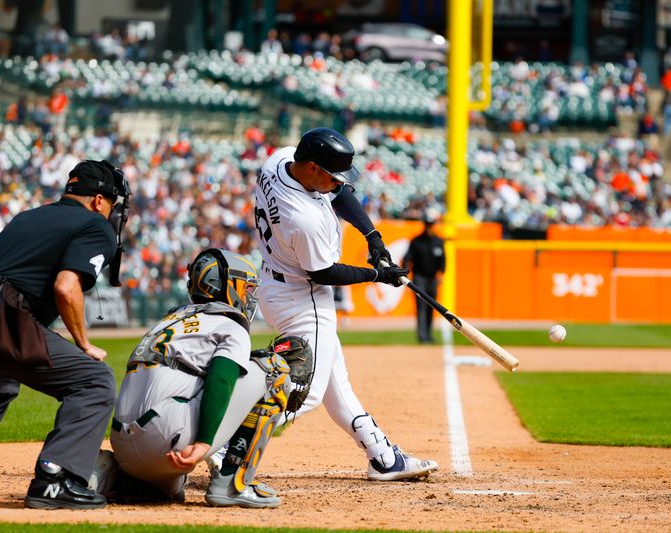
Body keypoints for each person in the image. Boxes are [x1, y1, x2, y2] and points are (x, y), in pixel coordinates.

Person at [253, 127, 438, 481]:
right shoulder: (302, 218)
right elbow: (323, 271)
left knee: (337, 382)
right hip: (303, 299)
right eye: (331, 175)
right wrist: (376, 276)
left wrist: (374, 238)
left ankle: (383, 456)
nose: (337, 182)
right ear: (310, 167)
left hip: (277, 285)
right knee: (305, 393)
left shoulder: (280, 158)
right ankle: (223, 446)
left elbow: (339, 194)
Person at [99, 249, 312, 508]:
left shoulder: (169, 320)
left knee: (168, 488)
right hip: (167, 442)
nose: (248, 295)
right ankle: (233, 484)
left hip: (125, 449)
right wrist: (202, 444)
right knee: (274, 370)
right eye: (245, 287)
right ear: (227, 285)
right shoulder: (230, 325)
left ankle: (112, 475)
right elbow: (221, 379)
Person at [0, 159, 130, 509]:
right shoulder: (95, 224)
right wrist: (83, 342)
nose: (113, 212)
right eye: (112, 203)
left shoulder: (29, 215)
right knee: (95, 381)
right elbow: (66, 287)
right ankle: (55, 479)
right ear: (97, 200)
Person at [402, 214, 446, 344]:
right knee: (421, 306)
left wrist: (441, 274)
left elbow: (443, 261)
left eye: (431, 225)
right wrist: (405, 274)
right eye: (427, 224)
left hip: (432, 279)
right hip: (419, 278)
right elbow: (407, 258)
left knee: (431, 307)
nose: (429, 227)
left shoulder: (439, 241)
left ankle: (429, 334)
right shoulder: (416, 241)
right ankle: (422, 336)